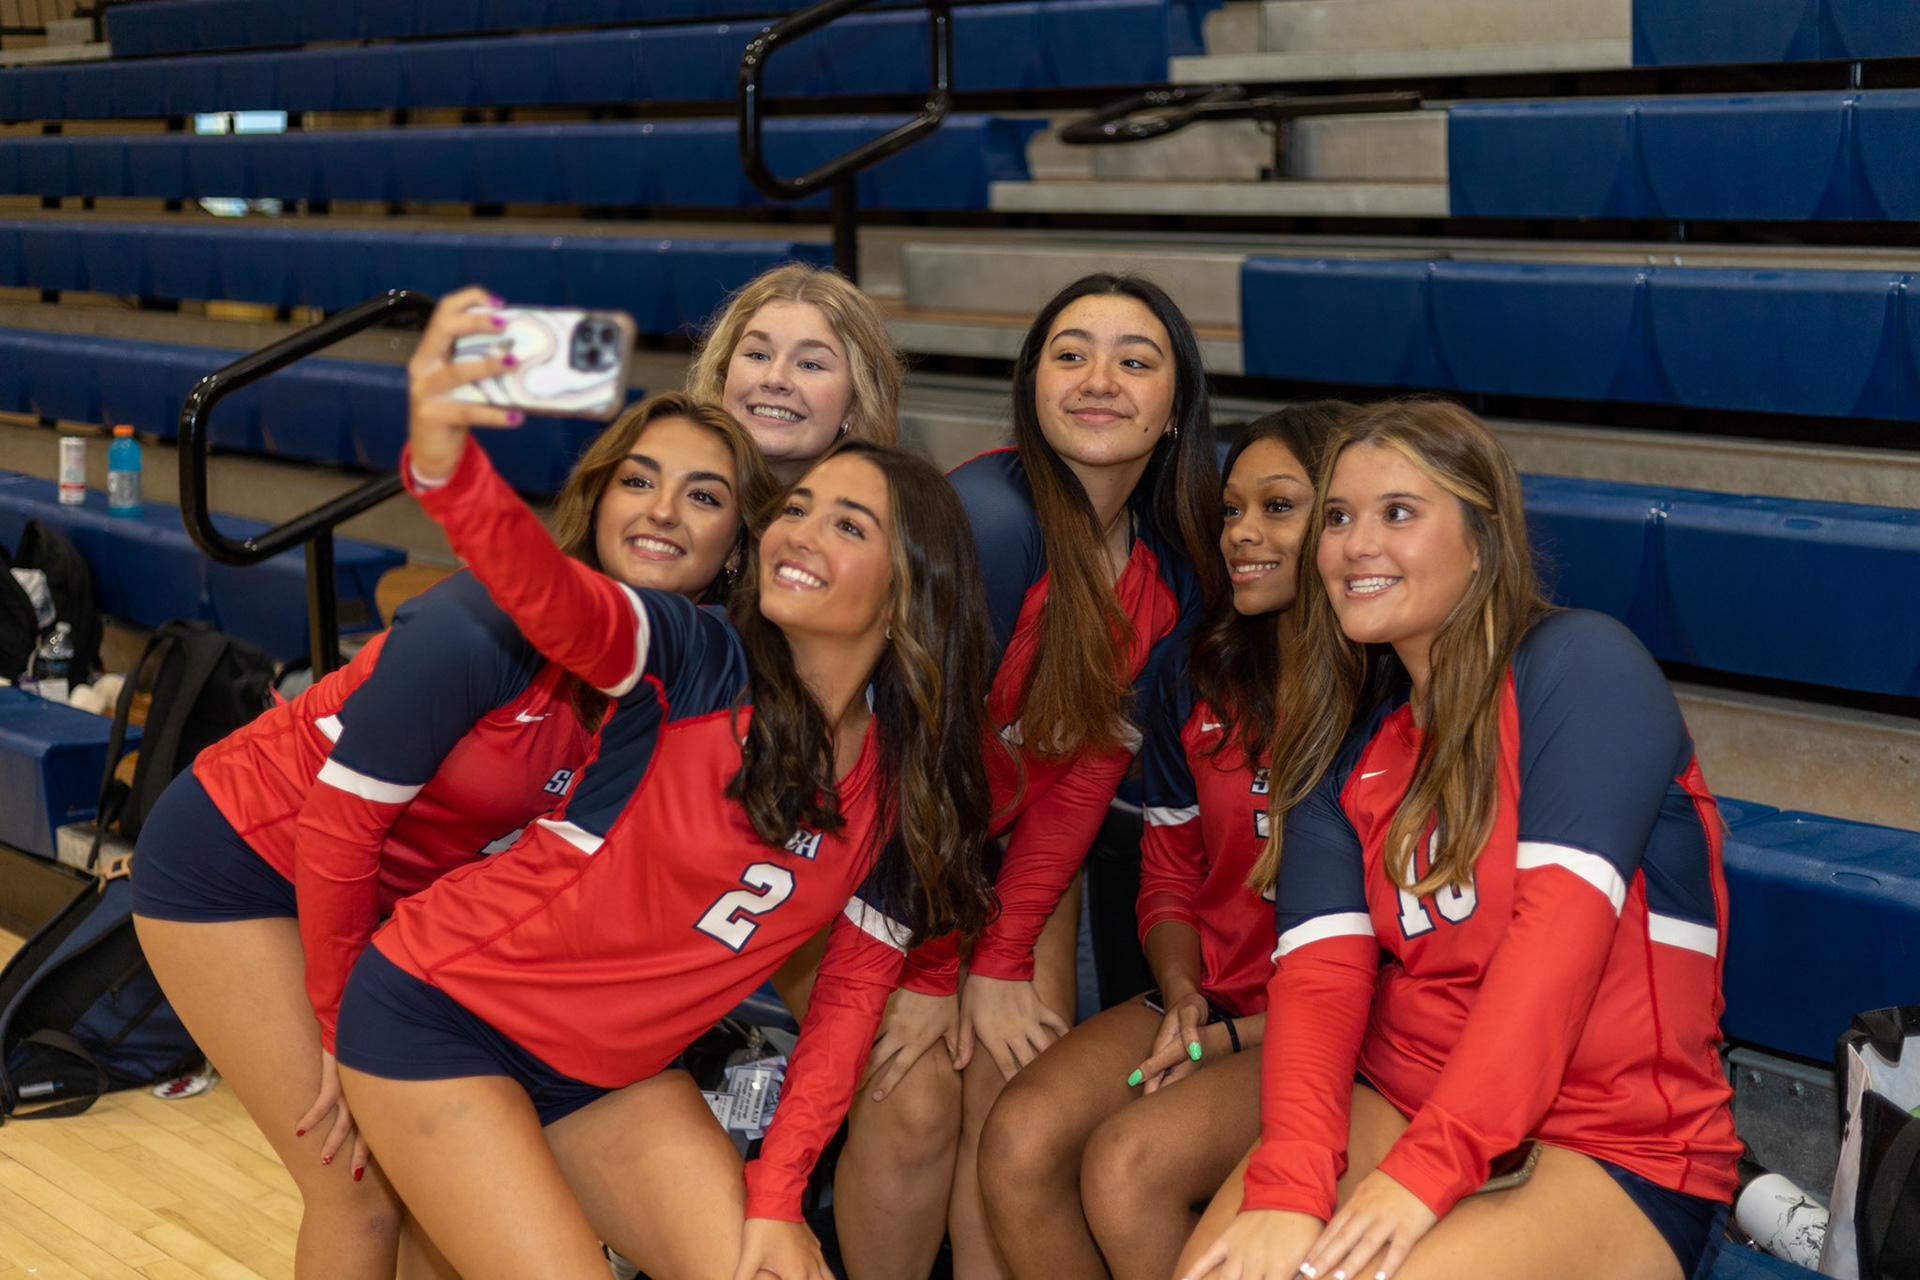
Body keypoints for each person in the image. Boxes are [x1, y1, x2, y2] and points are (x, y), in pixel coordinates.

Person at [331, 291, 998, 1280]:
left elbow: (847, 1009)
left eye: (847, 522)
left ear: (908, 590)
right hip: (444, 1012)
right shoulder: (697, 660)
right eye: (795, 508)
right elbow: (558, 601)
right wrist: (446, 465)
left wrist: (778, 1201)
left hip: (605, 1072)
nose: (798, 530)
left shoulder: (905, 783)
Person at [132, 352, 773, 1280]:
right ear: (597, 500)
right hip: (245, 865)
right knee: (359, 1189)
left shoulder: (710, 683)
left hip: (416, 922)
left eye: (704, 496)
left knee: (447, 1198)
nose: (663, 509)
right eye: (638, 479)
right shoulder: (486, 622)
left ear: (738, 547)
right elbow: (338, 830)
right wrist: (341, 1037)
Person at [1177, 399, 1740, 1280]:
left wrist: (1421, 1175)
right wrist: (1288, 1189)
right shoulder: (1344, 754)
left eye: (1398, 512)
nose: (1356, 543)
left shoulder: (1583, 668)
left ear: (1482, 540)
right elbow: (1320, 988)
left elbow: (1553, 948)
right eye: (1338, 517)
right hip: (1406, 1094)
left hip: (1612, 1140)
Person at [810, 273, 1216, 1280]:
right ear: (1033, 381)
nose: (1100, 379)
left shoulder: (1167, 560)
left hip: (991, 857)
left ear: (1175, 410)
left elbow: (1081, 772)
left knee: (1010, 1093)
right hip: (870, 852)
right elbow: (920, 754)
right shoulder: (993, 517)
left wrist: (1000, 957)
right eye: (1071, 353)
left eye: (1136, 359)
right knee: (914, 1099)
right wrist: (939, 967)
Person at [978, 404, 1347, 1280]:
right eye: (1230, 510)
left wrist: (1228, 1040)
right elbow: (1171, 877)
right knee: (1017, 1142)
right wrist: (1183, 992)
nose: (1241, 534)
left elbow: (1409, 965)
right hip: (1208, 1000)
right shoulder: (1196, 669)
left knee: (1126, 1167)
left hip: (1331, 1032)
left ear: (1344, 518)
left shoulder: (1393, 696)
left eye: (1278, 507)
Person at [686, 260, 903, 485]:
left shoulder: (889, 514)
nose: (775, 378)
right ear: (723, 376)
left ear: (856, 404)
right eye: (758, 355)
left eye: (810, 365)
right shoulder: (663, 503)